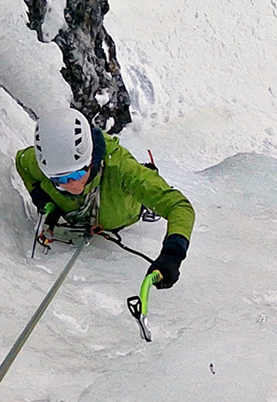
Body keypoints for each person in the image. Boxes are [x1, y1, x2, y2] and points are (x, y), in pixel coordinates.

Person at [16, 108, 194, 289]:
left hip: (125, 212)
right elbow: (21, 161)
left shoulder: (122, 169)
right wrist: (42, 200)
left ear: (91, 159)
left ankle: (148, 177)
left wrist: (172, 255)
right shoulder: (40, 165)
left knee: (143, 184)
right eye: (59, 179)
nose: (70, 184)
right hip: (81, 214)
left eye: (77, 173)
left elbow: (179, 206)